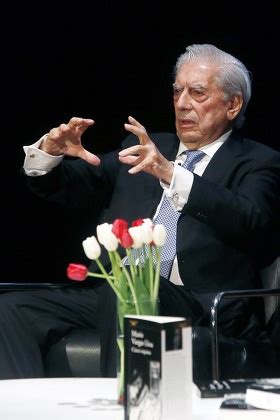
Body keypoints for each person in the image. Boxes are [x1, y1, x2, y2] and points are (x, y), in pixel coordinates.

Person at [1, 43, 280, 380]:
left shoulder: (258, 162)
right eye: (177, 91)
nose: (181, 103)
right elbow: (70, 185)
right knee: (11, 310)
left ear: (232, 104)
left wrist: (172, 174)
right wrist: (49, 154)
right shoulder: (148, 148)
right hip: (113, 294)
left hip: (198, 303)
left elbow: (250, 219)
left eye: (197, 93)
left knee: (133, 287)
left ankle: (122, 408)